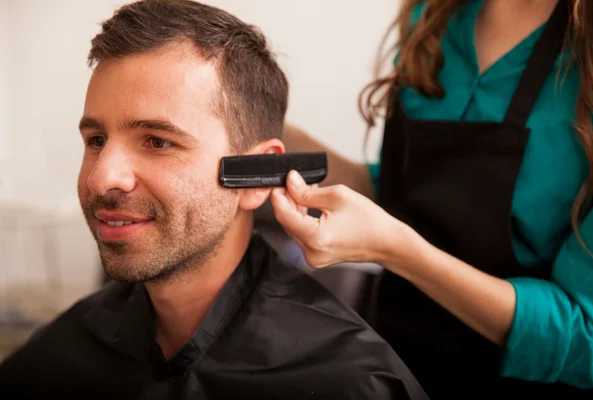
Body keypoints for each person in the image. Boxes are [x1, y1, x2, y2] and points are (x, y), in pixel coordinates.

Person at [0, 1, 431, 399]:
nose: (100, 178)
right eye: (96, 139)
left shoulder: (347, 382)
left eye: (157, 141)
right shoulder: (59, 355)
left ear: (255, 178)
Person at [272, 0, 593, 399]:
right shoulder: (434, 16)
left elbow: (587, 339)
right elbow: (402, 194)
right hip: (394, 361)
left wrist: (397, 250)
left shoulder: (591, 57)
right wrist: (273, 131)